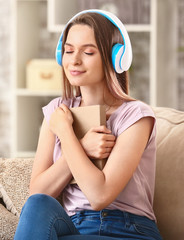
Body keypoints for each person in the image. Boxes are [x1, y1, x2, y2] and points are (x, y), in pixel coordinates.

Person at [14, 9, 163, 240]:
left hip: (127, 230)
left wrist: (66, 133)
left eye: (88, 52)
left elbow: (99, 195)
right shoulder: (57, 112)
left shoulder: (136, 116)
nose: (74, 60)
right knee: (37, 205)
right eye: (69, 50)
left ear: (116, 57)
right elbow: (39, 192)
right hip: (75, 227)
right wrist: (82, 146)